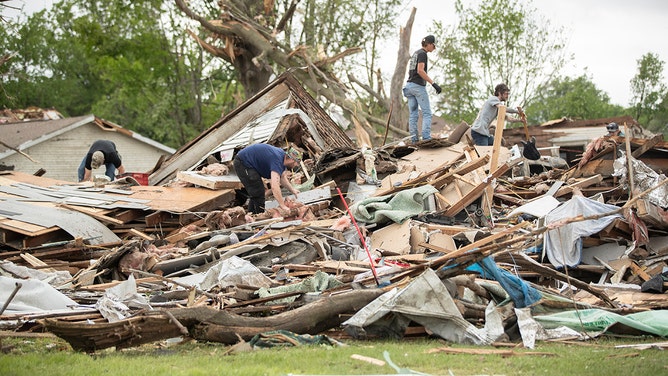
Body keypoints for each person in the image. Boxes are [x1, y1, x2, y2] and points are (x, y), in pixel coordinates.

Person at [233, 143, 302, 214]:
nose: (296, 165)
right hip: (243, 162)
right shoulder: (277, 161)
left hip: (250, 162)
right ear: (292, 160)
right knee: (258, 192)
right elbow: (275, 187)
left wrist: (292, 190)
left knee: (257, 193)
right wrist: (282, 205)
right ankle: (258, 216)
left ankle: (251, 215)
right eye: (297, 163)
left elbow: (282, 177)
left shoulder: (282, 157)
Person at [403, 34, 442, 143]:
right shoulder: (422, 54)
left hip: (409, 86)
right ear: (428, 44)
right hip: (417, 86)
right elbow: (420, 70)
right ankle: (426, 138)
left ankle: (414, 140)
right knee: (427, 113)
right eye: (433, 46)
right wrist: (433, 84)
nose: (434, 48)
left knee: (413, 114)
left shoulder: (416, 53)